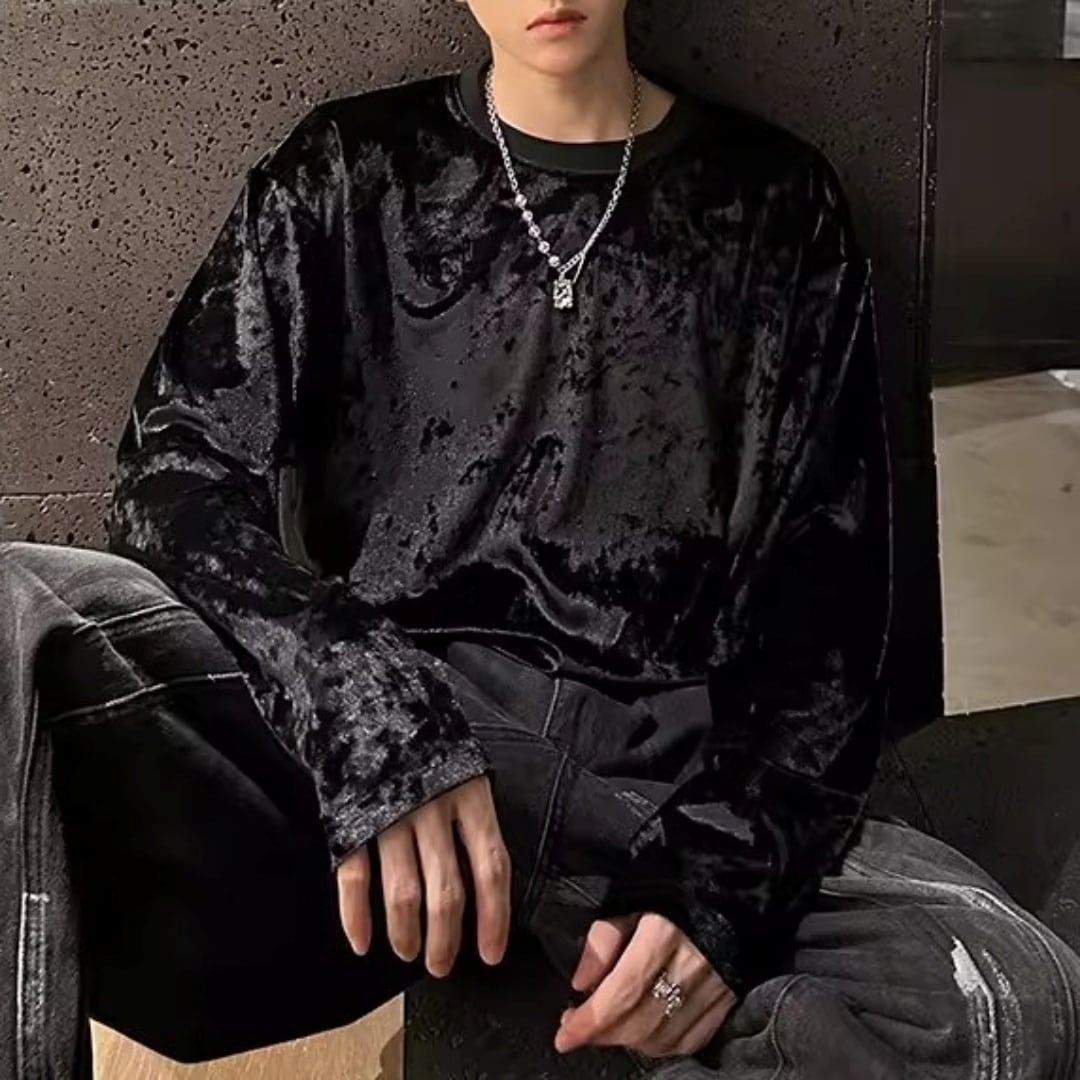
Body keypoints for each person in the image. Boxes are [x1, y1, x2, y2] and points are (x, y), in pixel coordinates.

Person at [2, 1, 1079, 1077]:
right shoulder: (346, 171)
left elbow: (827, 623)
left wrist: (718, 886)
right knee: (18, 615)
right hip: (393, 776)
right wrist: (363, 701)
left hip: (660, 782)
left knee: (1012, 1000)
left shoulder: (775, 205)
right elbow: (175, 475)